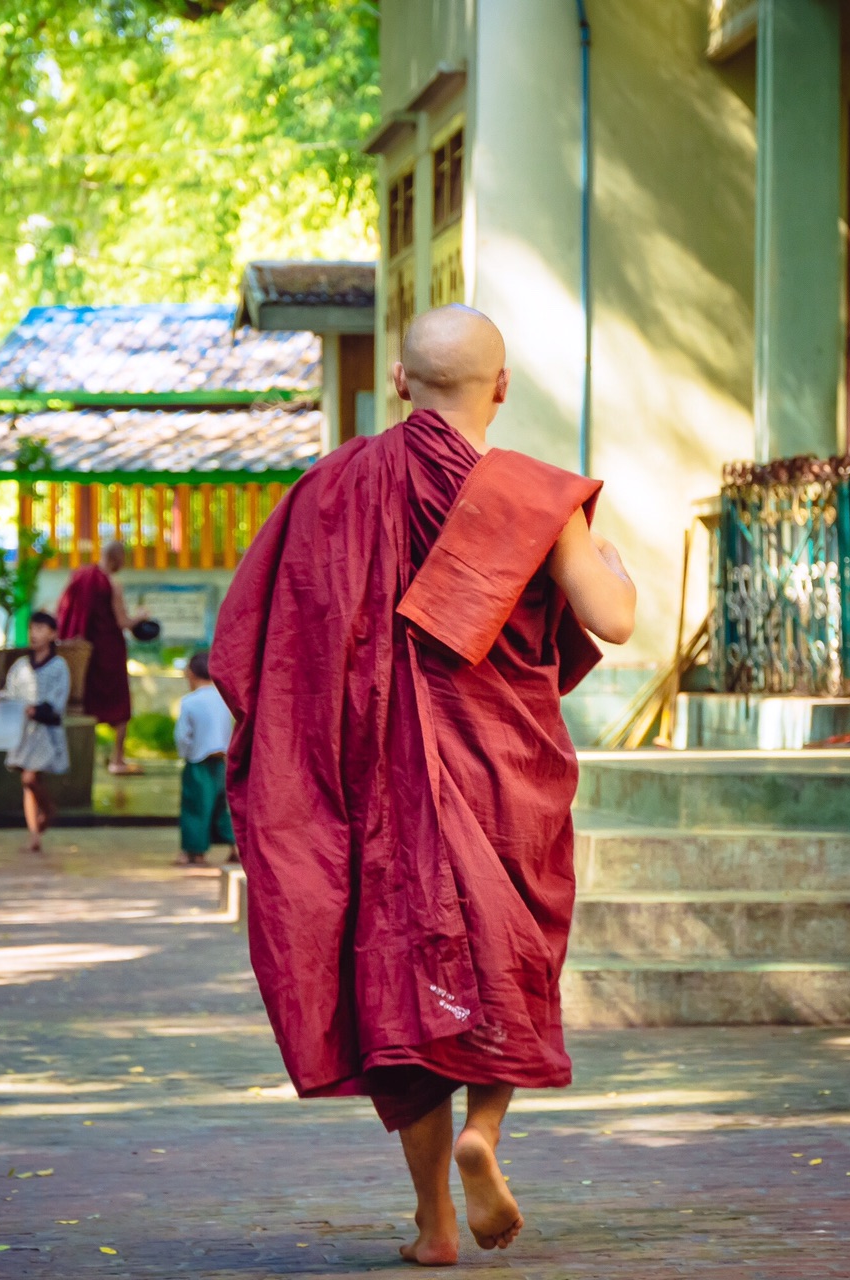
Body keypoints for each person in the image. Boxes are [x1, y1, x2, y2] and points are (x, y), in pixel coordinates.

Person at [211, 304, 636, 1266]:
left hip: (385, 785)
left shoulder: (332, 489)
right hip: (507, 775)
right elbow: (613, 620)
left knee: (402, 982)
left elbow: (262, 647)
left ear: (400, 383)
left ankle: (435, 1222)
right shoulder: (535, 496)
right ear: (502, 386)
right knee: (510, 951)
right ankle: (488, 1128)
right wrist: (612, 565)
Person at [56, 539, 149, 774]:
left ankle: (78, 759)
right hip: (109, 651)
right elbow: (122, 622)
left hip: (83, 653)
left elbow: (65, 610)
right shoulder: (111, 584)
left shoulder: (80, 575)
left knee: (83, 702)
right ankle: (117, 760)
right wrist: (140, 616)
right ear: (117, 559)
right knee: (120, 707)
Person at [4, 610, 70, 853]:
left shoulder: (59, 666)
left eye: (41, 629)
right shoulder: (20, 666)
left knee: (30, 777)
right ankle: (34, 834)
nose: (35, 634)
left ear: (52, 634)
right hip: (23, 731)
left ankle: (49, 810)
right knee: (29, 782)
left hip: (45, 731)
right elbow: (11, 694)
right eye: (33, 628)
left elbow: (57, 702)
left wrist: (36, 710)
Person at [172, 649, 234, 867]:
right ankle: (235, 846)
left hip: (198, 760)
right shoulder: (224, 700)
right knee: (222, 806)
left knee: (194, 806)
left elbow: (182, 736)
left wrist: (185, 754)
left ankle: (195, 851)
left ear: (191, 673)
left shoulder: (190, 701)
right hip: (222, 760)